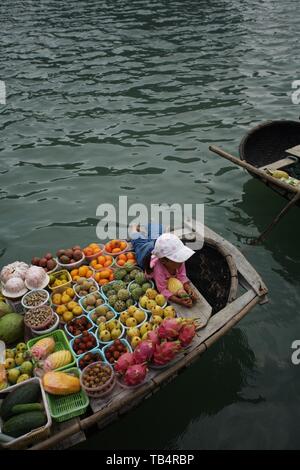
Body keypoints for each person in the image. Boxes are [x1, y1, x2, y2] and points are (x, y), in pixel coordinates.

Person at [130, 225, 198, 308]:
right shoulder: (159, 270)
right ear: (163, 261)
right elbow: (162, 290)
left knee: (157, 230)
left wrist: (188, 288)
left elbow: (182, 275)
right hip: (145, 253)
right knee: (138, 242)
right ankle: (134, 227)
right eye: (177, 258)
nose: (182, 261)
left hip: (156, 247)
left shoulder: (179, 262)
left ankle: (151, 234)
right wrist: (179, 301)